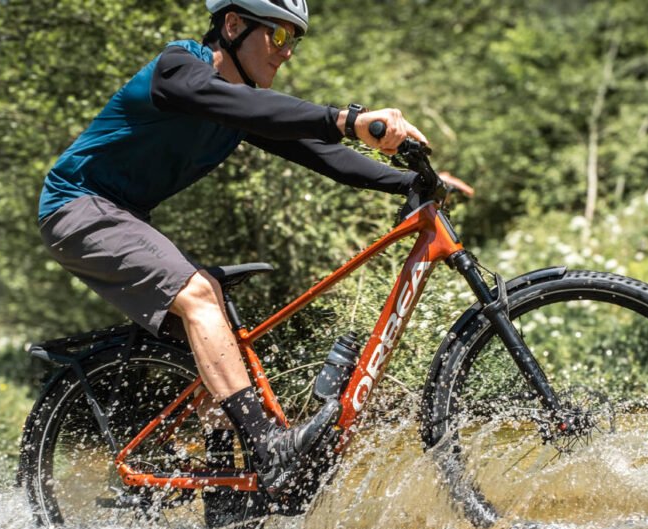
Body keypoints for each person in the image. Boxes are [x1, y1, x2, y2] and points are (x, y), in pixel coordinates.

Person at [38, 0, 467, 498]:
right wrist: (349, 119)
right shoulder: (179, 69)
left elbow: (321, 153)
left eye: (295, 41)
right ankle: (270, 445)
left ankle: (230, 502)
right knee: (198, 294)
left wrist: (410, 181)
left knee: (217, 335)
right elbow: (250, 107)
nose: (287, 53)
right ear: (234, 25)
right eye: (280, 36)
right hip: (78, 207)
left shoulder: (237, 109)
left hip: (123, 217)